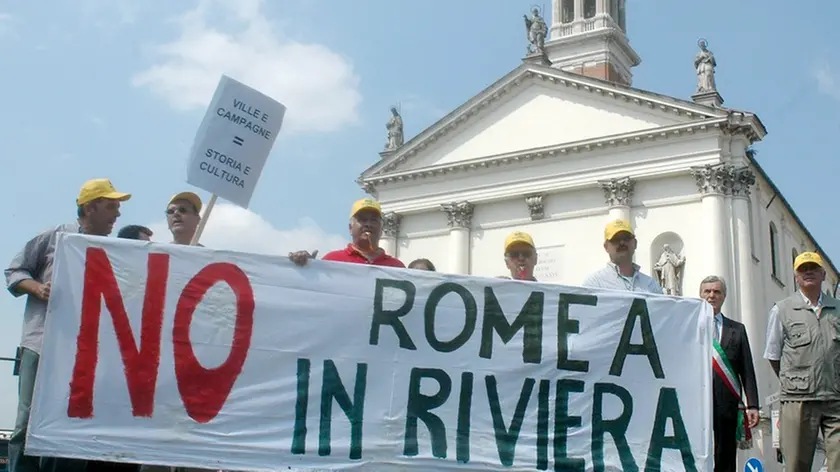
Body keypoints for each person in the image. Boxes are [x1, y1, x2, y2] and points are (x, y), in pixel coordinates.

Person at [5, 178, 130, 472]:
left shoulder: (115, 251)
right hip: (42, 343)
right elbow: (14, 271)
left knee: (71, 423)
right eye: (112, 206)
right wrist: (37, 288)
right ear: (90, 207)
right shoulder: (53, 237)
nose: (118, 215)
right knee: (28, 421)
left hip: (86, 351)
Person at [763, 252, 840, 472]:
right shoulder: (781, 309)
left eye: (813, 268)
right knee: (797, 464)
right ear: (795, 277)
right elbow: (773, 355)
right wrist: (797, 380)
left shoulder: (838, 308)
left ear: (823, 274)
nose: (808, 272)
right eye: (803, 269)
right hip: (798, 400)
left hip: (836, 398)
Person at [699, 276, 759, 472]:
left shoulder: (737, 329)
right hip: (698, 404)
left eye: (716, 292)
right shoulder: (691, 327)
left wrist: (753, 405)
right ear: (701, 295)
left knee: (725, 456)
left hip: (727, 405)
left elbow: (747, 370)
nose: (711, 296)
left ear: (724, 296)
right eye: (707, 291)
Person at [289, 198, 404, 268]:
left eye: (374, 220)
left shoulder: (397, 268)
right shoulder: (332, 260)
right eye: (362, 219)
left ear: (382, 228)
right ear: (350, 228)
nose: (368, 224)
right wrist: (308, 268)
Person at [581, 219, 662, 293]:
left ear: (635, 243)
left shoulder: (652, 286)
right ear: (606, 247)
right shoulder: (594, 284)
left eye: (626, 238)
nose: (622, 242)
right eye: (615, 239)